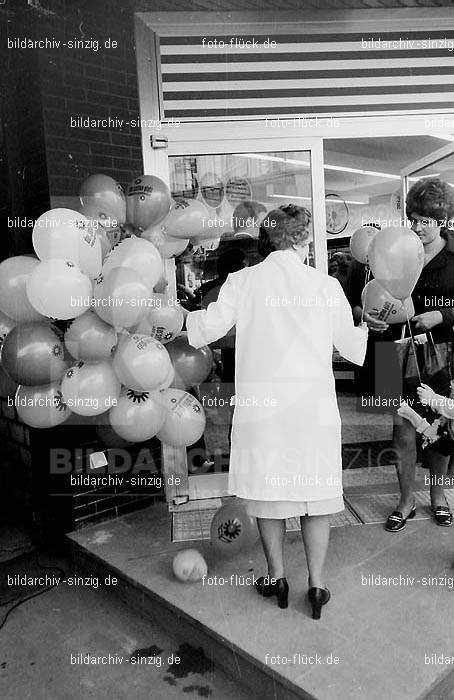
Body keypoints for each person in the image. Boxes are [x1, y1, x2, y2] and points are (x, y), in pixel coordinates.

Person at [185, 204, 368, 619]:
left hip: (262, 412)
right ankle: (317, 586)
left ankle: (277, 577)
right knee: (315, 497)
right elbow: (352, 349)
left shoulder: (244, 281)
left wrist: (176, 320)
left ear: (266, 241)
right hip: (312, 410)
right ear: (304, 241)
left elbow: (207, 328)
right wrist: (366, 329)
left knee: (270, 495)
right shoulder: (326, 287)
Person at [367, 178, 454, 531]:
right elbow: (375, 294)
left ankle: (437, 495)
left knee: (440, 427)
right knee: (401, 429)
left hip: (443, 351)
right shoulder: (393, 247)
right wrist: (369, 316)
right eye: (413, 218)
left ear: (444, 219)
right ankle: (405, 501)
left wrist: (443, 314)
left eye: (426, 221)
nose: (417, 227)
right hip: (392, 350)